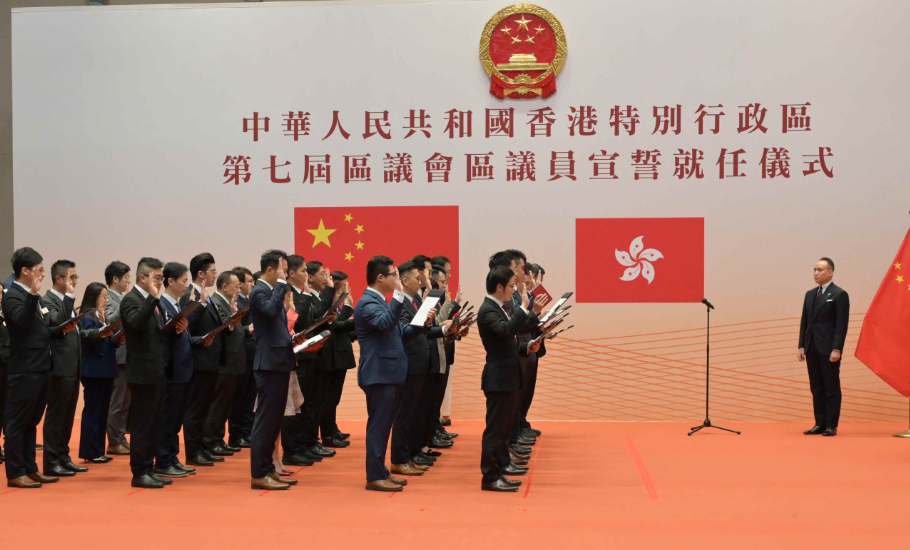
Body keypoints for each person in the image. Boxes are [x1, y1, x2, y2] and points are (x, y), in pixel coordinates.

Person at [3, 247, 77, 488]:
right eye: (39, 270)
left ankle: (30, 468)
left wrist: (58, 331)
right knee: (17, 421)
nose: (43, 274)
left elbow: (41, 330)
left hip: (42, 366)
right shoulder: (12, 295)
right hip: (24, 368)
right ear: (24, 271)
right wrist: (34, 295)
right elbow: (21, 325)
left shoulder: (30, 295)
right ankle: (15, 472)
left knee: (32, 420)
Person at [477, 265, 540, 492]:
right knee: (495, 431)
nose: (514, 289)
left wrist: (526, 348)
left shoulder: (498, 307)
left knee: (502, 429)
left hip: (506, 375)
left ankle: (501, 467)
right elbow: (506, 331)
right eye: (511, 286)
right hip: (498, 377)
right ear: (499, 286)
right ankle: (490, 477)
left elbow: (509, 341)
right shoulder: (487, 310)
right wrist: (524, 308)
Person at [249, 249, 306, 490]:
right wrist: (282, 285)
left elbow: (276, 326)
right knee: (265, 421)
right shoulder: (259, 291)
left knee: (274, 422)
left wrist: (291, 340)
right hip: (269, 364)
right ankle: (259, 473)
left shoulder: (271, 291)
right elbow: (271, 312)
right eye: (282, 270)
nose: (286, 274)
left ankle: (269, 469)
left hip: (280, 360)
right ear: (270, 270)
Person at [120, 257, 180, 489]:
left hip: (157, 371)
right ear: (142, 277)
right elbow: (134, 324)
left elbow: (157, 336)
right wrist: (153, 299)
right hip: (142, 373)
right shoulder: (131, 300)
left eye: (161, 278)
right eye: (157, 278)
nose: (160, 282)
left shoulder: (149, 301)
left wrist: (175, 330)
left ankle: (149, 468)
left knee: (155, 424)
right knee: (143, 425)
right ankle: (139, 472)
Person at [354, 256, 410, 492]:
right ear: (381, 277)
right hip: (379, 374)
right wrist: (399, 294)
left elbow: (396, 329)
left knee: (384, 425)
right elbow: (386, 324)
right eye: (393, 275)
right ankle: (374, 476)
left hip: (388, 373)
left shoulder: (379, 301)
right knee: (378, 426)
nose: (397, 280)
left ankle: (381, 470)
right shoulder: (368, 303)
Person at [390, 261, 449, 477]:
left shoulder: (414, 300)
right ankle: (398, 459)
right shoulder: (400, 304)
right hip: (409, 366)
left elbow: (422, 330)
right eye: (416, 277)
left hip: (420, 364)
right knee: (404, 415)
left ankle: (410, 455)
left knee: (414, 414)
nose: (421, 280)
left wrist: (442, 329)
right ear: (405, 281)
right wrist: (424, 314)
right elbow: (406, 331)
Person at [155, 262, 209, 479]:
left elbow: (182, 336)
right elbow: (164, 337)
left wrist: (200, 339)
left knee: (176, 419)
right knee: (167, 419)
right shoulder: (161, 305)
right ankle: (163, 460)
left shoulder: (177, 305)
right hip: (172, 371)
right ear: (170, 281)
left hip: (184, 369)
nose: (187, 285)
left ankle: (172, 457)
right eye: (184, 281)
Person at [41, 260, 88, 478]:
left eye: (76, 277)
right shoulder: (47, 301)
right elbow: (56, 325)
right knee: (56, 416)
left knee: (68, 416)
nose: (75, 282)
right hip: (58, 367)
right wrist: (69, 298)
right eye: (72, 277)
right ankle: (51, 462)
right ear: (58, 279)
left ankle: (63, 456)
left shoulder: (67, 301)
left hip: (72, 366)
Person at [798, 257, 850, 437]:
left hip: (829, 350)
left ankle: (831, 425)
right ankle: (819, 423)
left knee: (831, 387)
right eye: (814, 269)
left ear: (830, 272)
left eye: (820, 270)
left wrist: (837, 348)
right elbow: (805, 322)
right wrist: (801, 346)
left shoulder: (839, 294)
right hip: (811, 347)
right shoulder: (810, 294)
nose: (816, 273)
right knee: (816, 388)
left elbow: (841, 324)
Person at [206, 270, 245, 455]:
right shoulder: (217, 302)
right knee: (218, 404)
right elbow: (223, 327)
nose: (239, 289)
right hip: (224, 362)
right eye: (236, 286)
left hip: (232, 362)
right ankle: (211, 440)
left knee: (225, 405)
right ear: (224, 286)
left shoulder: (227, 303)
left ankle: (219, 439)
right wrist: (233, 317)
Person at [77, 283, 117, 464]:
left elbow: (106, 339)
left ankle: (99, 450)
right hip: (93, 370)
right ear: (93, 297)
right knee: (93, 411)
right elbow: (85, 336)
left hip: (106, 368)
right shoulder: (85, 315)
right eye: (103, 296)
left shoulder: (101, 316)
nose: (106, 300)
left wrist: (116, 339)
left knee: (102, 412)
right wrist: (100, 328)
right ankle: (90, 451)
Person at [320, 270, 356, 447]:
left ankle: (332, 429)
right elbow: (335, 325)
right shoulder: (327, 299)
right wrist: (352, 313)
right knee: (328, 397)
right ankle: (327, 434)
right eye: (343, 284)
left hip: (340, 354)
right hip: (330, 356)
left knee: (335, 397)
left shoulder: (340, 300)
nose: (346, 288)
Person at [103, 261, 132, 456]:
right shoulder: (107, 298)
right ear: (115, 279)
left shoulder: (121, 298)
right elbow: (109, 321)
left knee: (125, 402)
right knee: (116, 402)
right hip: (117, 355)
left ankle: (120, 437)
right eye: (126, 277)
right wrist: (127, 306)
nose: (129, 281)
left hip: (128, 355)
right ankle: (113, 441)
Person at [228, 266, 256, 449]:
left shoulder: (250, 301)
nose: (253, 284)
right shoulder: (237, 302)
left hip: (253, 355)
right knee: (239, 398)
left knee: (250, 398)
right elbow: (235, 330)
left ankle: (247, 432)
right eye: (249, 282)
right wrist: (249, 329)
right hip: (242, 356)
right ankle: (236, 434)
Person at [0, 283, 9, 465]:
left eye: (1, 292)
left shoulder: (5, 314)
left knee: (4, 408)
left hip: (7, 366)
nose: (0, 296)